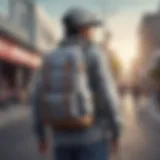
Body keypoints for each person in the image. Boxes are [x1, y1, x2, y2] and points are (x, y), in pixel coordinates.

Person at [30, 7, 121, 160]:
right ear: (82, 28)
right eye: (90, 27)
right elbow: (108, 95)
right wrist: (116, 131)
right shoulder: (94, 54)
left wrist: (41, 135)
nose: (92, 32)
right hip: (93, 139)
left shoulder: (50, 57)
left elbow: (36, 97)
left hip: (61, 142)